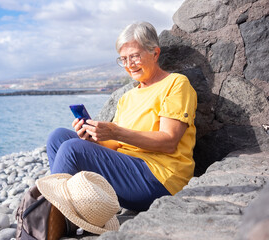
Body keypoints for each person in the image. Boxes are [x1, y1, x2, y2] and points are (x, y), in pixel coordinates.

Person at [46, 21, 197, 212]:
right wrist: (92, 137)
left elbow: (169, 141)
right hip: (128, 171)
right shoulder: (128, 97)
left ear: (155, 53)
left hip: (159, 179)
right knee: (58, 137)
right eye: (123, 59)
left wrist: (115, 131)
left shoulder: (176, 84)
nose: (129, 65)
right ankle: (73, 211)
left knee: (72, 149)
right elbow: (115, 145)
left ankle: (51, 215)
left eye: (134, 56)